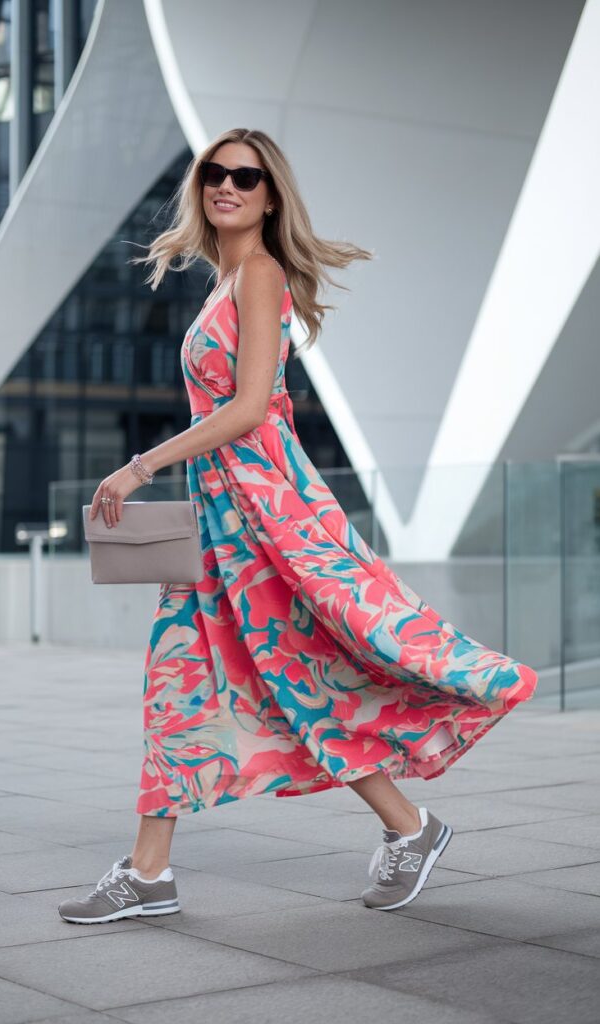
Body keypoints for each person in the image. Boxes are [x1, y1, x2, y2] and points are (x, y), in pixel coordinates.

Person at [58, 128, 538, 925]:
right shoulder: (223, 279)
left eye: (245, 177)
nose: (227, 186)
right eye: (214, 173)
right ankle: (155, 871)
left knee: (310, 668)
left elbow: (248, 409)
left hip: (265, 511)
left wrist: (138, 466)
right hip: (222, 519)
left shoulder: (260, 272)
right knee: (187, 682)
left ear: (269, 194)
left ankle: (409, 820)